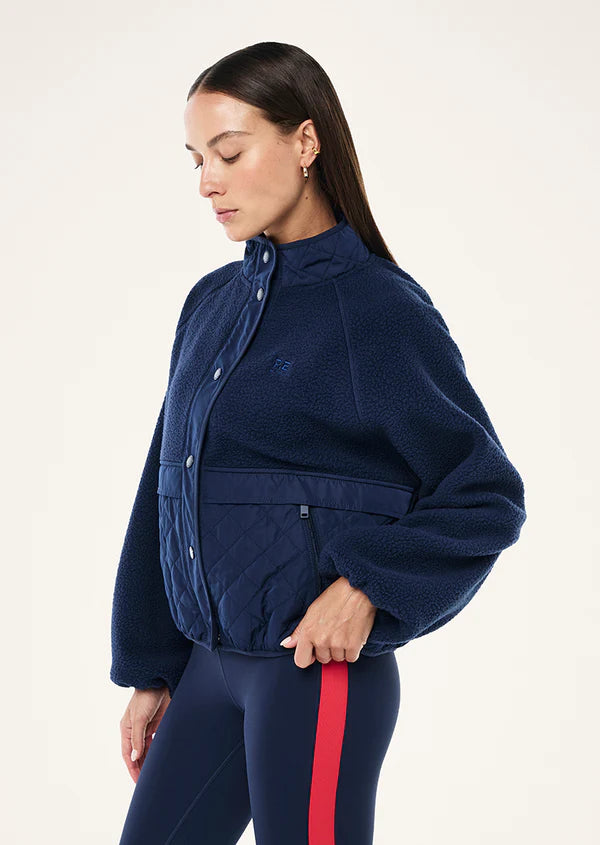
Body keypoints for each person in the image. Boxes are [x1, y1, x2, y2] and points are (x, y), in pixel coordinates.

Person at [110, 41, 527, 845]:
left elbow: (484, 493)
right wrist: (152, 665)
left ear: (305, 142)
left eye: (229, 153)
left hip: (315, 675)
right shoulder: (211, 304)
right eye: (196, 159)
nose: (207, 181)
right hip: (207, 669)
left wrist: (368, 585)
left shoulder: (377, 310)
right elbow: (167, 484)